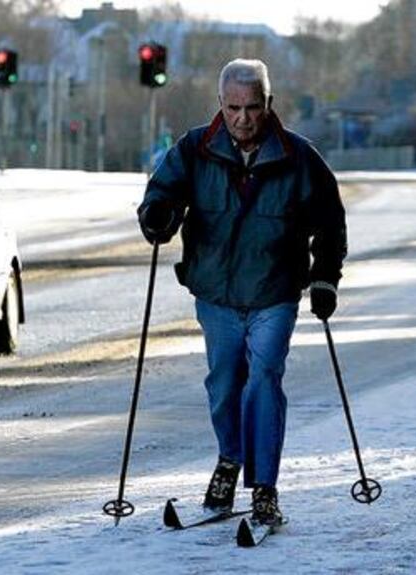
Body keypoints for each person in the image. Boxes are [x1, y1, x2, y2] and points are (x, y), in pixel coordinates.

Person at [137, 58, 347, 526]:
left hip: (274, 292)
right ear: (221, 104)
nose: (243, 118)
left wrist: (325, 279)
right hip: (216, 293)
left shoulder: (298, 158)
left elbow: (330, 223)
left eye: (252, 107)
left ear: (268, 104)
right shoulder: (195, 149)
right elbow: (161, 195)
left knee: (264, 380)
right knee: (224, 383)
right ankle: (229, 461)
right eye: (233, 107)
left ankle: (265, 486)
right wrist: (157, 216)